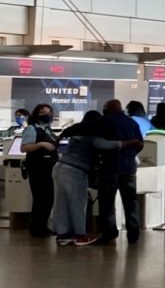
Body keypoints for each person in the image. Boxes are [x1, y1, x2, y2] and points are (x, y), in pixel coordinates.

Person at [52, 110, 141, 247]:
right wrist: (128, 143)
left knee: (61, 203)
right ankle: (80, 235)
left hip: (61, 167)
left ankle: (63, 234)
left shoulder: (77, 131)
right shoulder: (92, 134)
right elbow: (105, 145)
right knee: (78, 203)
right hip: (75, 170)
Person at [97, 100, 144, 245]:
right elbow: (140, 144)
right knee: (130, 202)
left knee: (107, 202)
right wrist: (129, 155)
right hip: (129, 168)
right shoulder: (132, 123)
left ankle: (110, 232)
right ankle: (133, 233)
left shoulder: (104, 122)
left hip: (110, 167)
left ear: (107, 109)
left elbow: (99, 144)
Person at [19, 104, 57, 238]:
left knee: (48, 198)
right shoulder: (31, 129)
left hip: (49, 167)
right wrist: (41, 144)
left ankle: (43, 226)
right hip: (37, 167)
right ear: (37, 114)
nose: (47, 115)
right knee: (41, 197)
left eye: (49, 112)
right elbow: (24, 148)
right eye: (43, 113)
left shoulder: (48, 129)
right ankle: (36, 227)